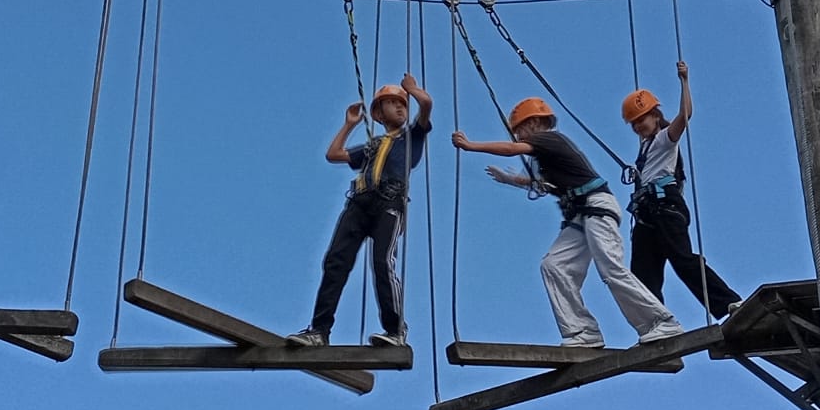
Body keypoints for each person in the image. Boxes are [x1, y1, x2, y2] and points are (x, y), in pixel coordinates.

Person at [452, 98, 684, 348]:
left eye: (519, 128)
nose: (518, 135)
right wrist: (510, 179)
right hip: (583, 213)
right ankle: (583, 331)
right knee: (554, 266)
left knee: (610, 268)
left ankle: (661, 322)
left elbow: (512, 149)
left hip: (596, 208)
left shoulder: (548, 139)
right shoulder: (548, 153)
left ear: (535, 123)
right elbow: (543, 184)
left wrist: (470, 146)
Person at [288, 74, 434, 349]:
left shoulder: (412, 136)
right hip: (359, 204)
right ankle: (319, 330)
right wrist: (349, 124)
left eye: (402, 103)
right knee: (335, 261)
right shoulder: (372, 145)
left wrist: (412, 90)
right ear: (378, 114)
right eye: (392, 103)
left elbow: (425, 105)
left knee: (382, 263)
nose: (401, 107)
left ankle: (396, 330)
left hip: (389, 204)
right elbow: (333, 154)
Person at [624, 61, 742, 319]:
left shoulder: (665, 138)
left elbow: (685, 114)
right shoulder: (644, 149)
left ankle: (728, 302)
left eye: (641, 119)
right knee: (643, 274)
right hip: (648, 213)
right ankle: (656, 324)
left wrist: (685, 81)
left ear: (655, 114)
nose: (638, 126)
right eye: (633, 123)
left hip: (665, 207)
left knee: (683, 260)